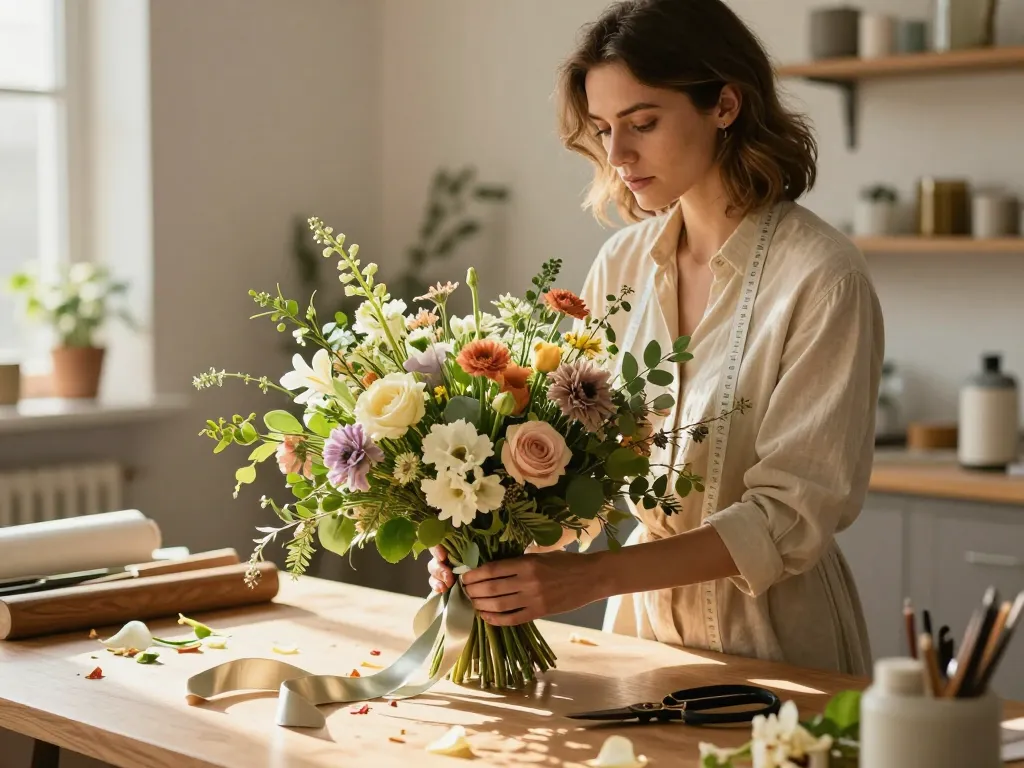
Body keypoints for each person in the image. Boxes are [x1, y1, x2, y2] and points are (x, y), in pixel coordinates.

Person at [427, 0, 884, 675]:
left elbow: (788, 517)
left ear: (724, 104)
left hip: (776, 648)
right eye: (606, 127)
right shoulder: (621, 266)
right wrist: (498, 550)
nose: (617, 154)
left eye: (642, 123)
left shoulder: (823, 277)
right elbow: (587, 471)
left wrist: (590, 579)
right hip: (637, 640)